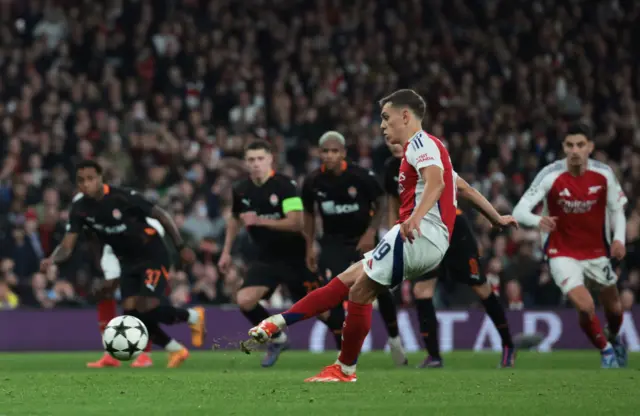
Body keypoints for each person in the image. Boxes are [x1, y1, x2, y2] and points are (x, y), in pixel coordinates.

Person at [247, 89, 455, 382]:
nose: (382, 126)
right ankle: (278, 325)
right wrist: (495, 215)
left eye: (386, 118)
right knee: (350, 284)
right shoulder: (430, 146)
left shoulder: (418, 143)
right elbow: (460, 185)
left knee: (356, 289)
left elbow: (437, 182)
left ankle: (342, 364)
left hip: (416, 235)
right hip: (422, 239)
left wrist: (414, 218)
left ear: (405, 116)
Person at [40, 160, 205, 368]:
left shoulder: (122, 197)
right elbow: (67, 244)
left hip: (152, 254)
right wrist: (51, 259)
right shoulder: (80, 208)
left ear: (101, 179)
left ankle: (192, 316)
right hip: (126, 259)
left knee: (147, 307)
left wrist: (181, 247)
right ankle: (176, 348)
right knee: (132, 314)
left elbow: (161, 215)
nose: (86, 184)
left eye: (91, 179)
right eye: (81, 181)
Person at [384, 137, 517, 368]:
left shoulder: (427, 156)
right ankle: (434, 356)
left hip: (453, 230)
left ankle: (508, 345)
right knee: (422, 290)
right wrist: (393, 233)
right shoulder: (390, 169)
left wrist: (495, 217)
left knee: (480, 286)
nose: (393, 142)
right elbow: (394, 203)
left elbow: (463, 188)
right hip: (422, 233)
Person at [218, 140, 344, 368]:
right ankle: (277, 338)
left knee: (324, 312)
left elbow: (296, 222)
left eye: (260, 159)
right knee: (245, 300)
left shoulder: (285, 186)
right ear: (246, 163)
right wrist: (226, 251)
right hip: (266, 258)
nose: (256, 164)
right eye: (251, 160)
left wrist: (260, 221)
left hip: (296, 258)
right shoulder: (241, 190)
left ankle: (345, 353)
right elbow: (235, 219)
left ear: (270, 160)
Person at [513, 122, 627, 368]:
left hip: (597, 253)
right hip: (561, 253)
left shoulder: (604, 174)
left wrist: (619, 238)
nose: (575, 150)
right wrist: (537, 220)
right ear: (564, 147)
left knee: (615, 310)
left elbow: (617, 211)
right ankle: (606, 352)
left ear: (590, 147)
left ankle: (614, 338)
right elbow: (519, 211)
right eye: (570, 145)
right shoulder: (550, 174)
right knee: (585, 307)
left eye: (580, 145)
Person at [302, 131, 407, 366]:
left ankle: (394, 339)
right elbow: (308, 214)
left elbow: (381, 201)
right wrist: (309, 245)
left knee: (382, 288)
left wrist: (371, 232)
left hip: (363, 240)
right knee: (334, 294)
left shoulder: (361, 176)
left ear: (343, 153)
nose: (329, 156)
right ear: (320, 154)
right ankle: (345, 356)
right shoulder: (312, 182)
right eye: (325, 152)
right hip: (333, 243)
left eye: (334, 151)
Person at [85, 218, 165, 368]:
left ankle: (144, 355)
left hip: (142, 258)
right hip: (114, 252)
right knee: (105, 293)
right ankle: (110, 354)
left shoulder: (151, 224)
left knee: (141, 301)